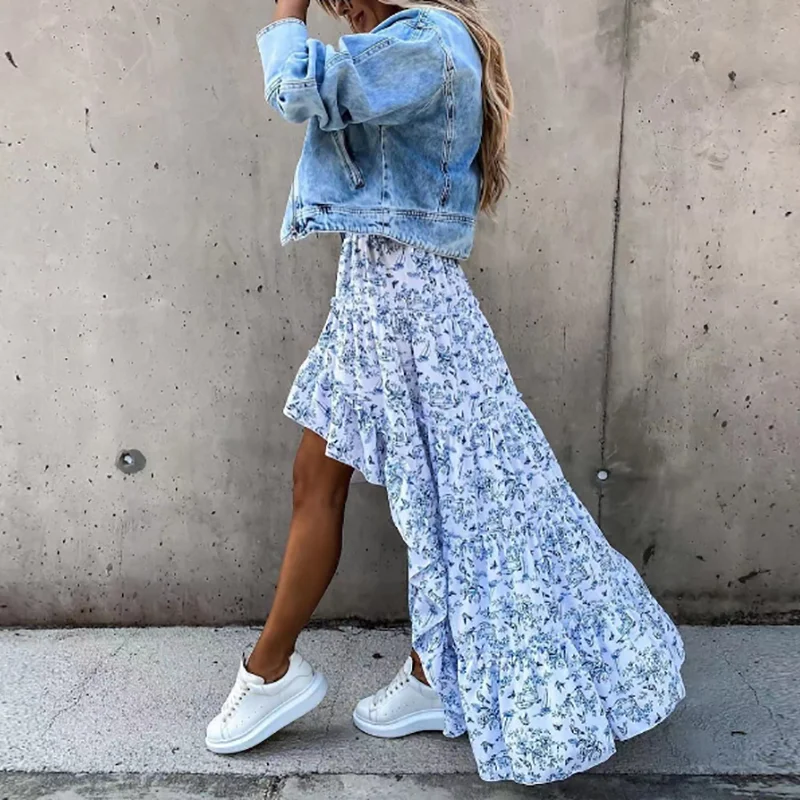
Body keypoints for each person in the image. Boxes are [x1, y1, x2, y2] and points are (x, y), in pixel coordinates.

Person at [205, 0, 685, 785]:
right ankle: (282, 671)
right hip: (373, 302)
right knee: (329, 482)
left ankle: (350, 673)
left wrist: (286, 8)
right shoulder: (413, 43)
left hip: (411, 316)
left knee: (468, 504)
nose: (338, 9)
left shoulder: (425, 43)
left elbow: (298, 88)